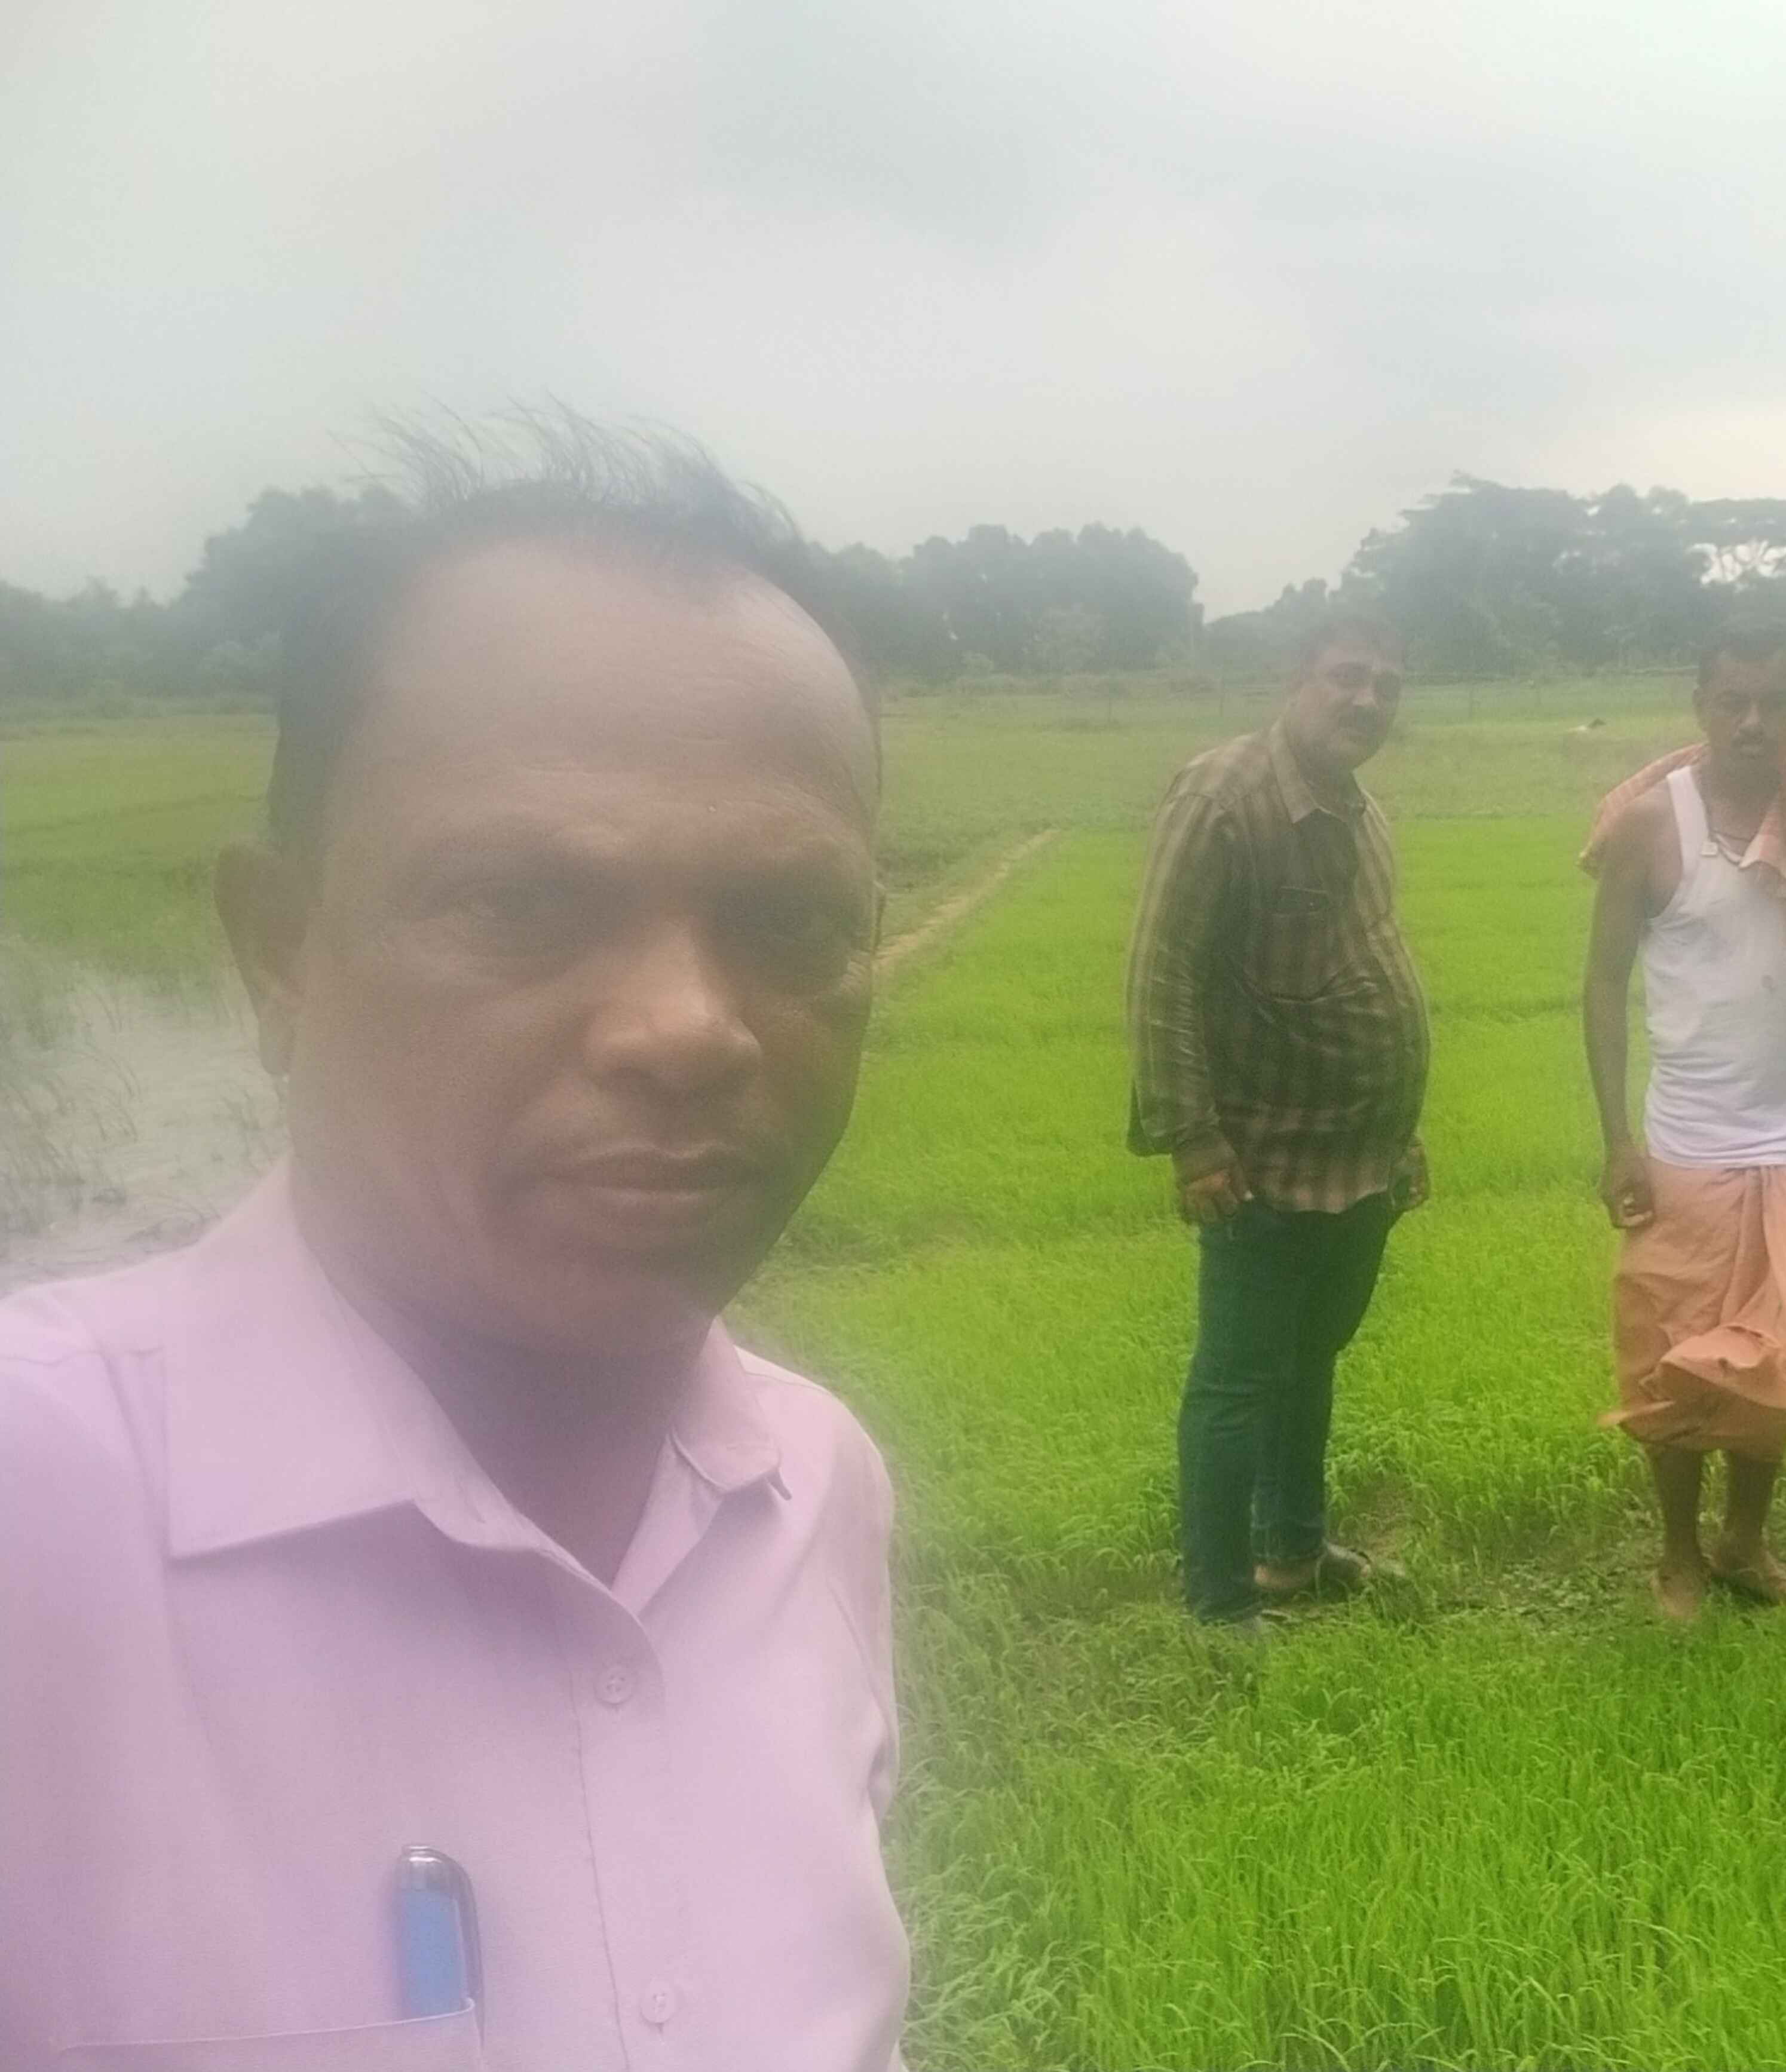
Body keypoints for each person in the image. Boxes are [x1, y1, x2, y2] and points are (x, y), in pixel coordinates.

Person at [0, 421, 911, 2066]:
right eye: (518, 904)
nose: (689, 1029)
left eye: (791, 923)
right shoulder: (40, 1511)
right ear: (283, 950)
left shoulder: (812, 1488)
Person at [1125, 611, 1430, 1629]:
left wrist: (1400, 1130)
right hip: (1261, 1157)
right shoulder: (1222, 796)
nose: (1367, 699)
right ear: (1296, 679)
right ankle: (1219, 1607)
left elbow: (1362, 961)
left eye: (1386, 685)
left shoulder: (1360, 809)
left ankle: (1293, 1551)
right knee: (1237, 1382)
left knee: (1310, 1360)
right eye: (1346, 675)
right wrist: (1193, 1139)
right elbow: (1161, 972)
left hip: (1359, 1155)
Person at [1580, 620, 1786, 1620]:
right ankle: (1677, 1557)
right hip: (1690, 1148)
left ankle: (1745, 1546)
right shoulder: (1652, 824)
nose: (1753, 721)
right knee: (1671, 1362)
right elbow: (1603, 981)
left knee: (1780, 1367)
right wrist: (1617, 1141)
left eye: (1774, 702)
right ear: (1701, 706)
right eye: (1733, 702)